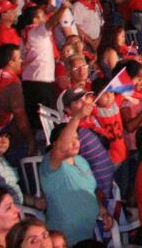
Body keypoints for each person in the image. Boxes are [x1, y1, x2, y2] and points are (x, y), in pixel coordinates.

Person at [40, 104, 104, 246]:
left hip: (86, 236)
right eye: (70, 138)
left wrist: (102, 210)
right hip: (63, 240)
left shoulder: (81, 161)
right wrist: (76, 117)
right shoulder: (51, 164)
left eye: (77, 138)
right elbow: (61, 149)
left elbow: (92, 190)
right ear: (56, 144)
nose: (75, 142)